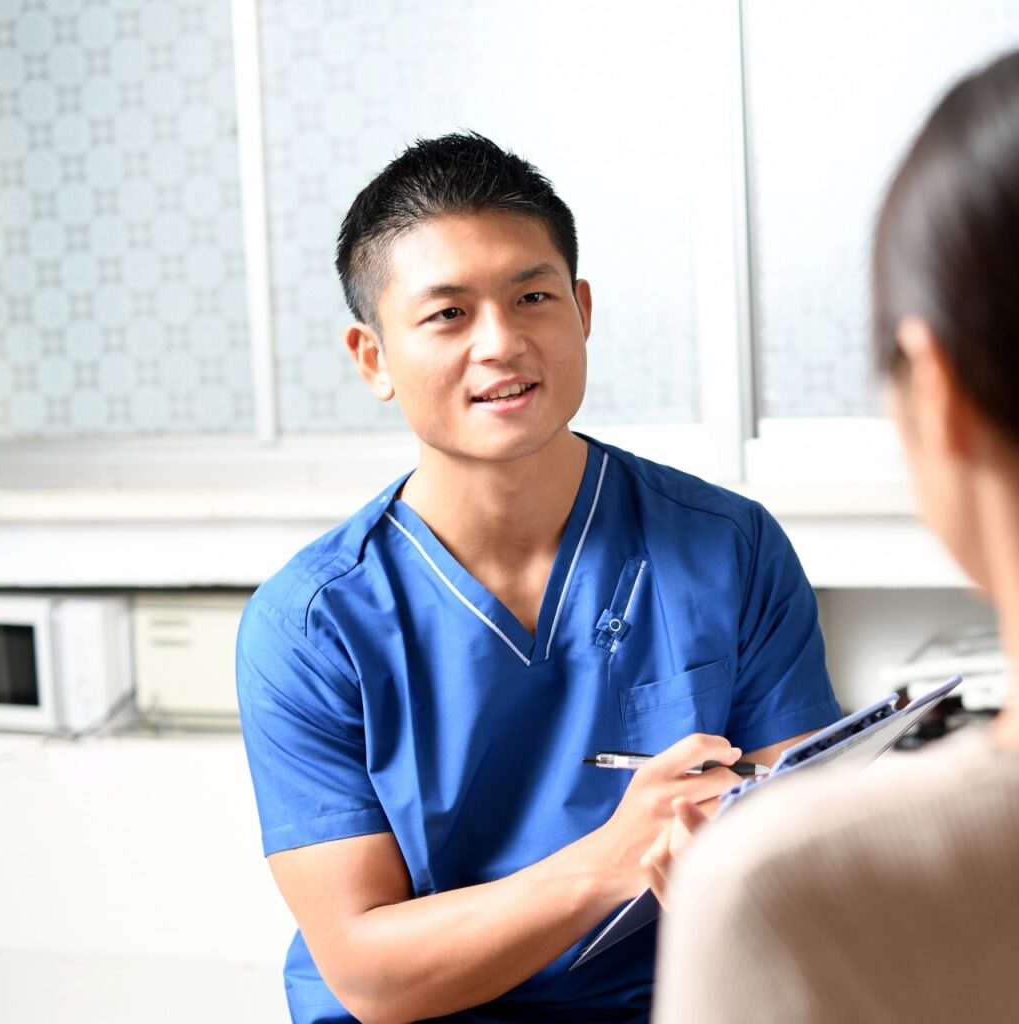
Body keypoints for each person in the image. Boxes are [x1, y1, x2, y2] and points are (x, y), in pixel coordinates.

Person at [236, 132, 841, 1024]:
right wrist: (610, 859)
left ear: (582, 311)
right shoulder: (311, 624)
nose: (502, 342)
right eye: (449, 314)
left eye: (532, 297)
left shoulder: (729, 546)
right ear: (373, 359)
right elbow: (369, 974)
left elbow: (802, 840)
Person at [649, 49, 1019, 1024]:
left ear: (933, 389)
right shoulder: (320, 610)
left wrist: (733, 897)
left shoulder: (784, 890)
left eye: (533, 295)